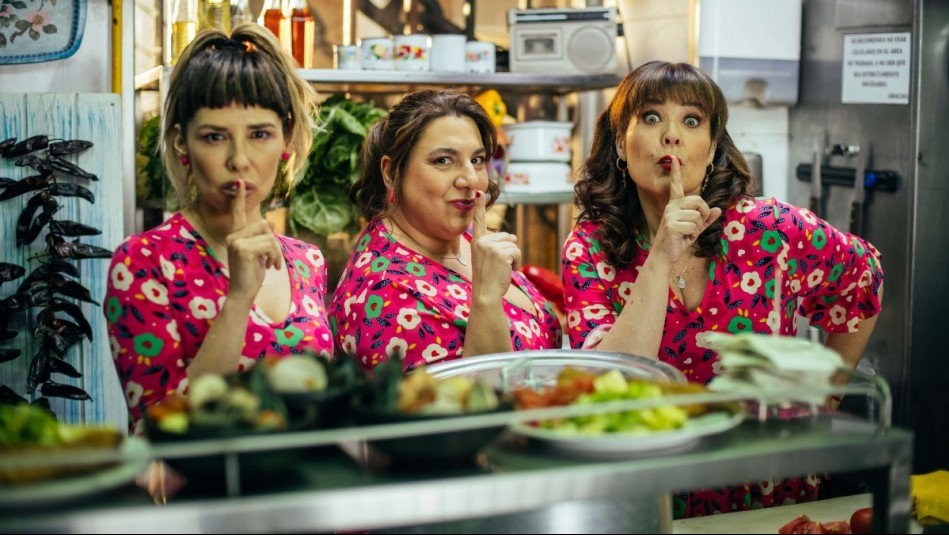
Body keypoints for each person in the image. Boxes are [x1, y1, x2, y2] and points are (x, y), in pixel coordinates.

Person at [562, 61, 884, 517]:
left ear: (711, 148)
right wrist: (659, 258)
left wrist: (830, 390)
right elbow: (609, 388)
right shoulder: (591, 247)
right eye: (651, 117)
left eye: (691, 121)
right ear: (621, 142)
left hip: (770, 489)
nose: (670, 136)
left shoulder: (769, 229)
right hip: (650, 494)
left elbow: (863, 278)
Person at [103, 24, 332, 433]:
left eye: (259, 134)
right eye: (213, 137)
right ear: (181, 144)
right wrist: (239, 297)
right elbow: (164, 432)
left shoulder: (306, 261)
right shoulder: (144, 263)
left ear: (287, 139)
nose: (239, 159)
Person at [332, 90, 562, 371]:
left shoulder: (458, 235)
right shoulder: (383, 295)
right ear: (391, 173)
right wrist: (486, 297)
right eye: (443, 160)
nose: (470, 179)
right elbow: (477, 405)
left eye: (477, 160)